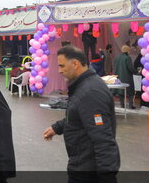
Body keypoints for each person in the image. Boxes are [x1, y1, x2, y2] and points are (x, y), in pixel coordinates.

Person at [43, 45, 120, 183]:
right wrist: (58, 127)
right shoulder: (82, 86)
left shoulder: (91, 93)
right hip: (81, 165)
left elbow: (103, 138)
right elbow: (78, 114)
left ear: (75, 64)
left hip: (89, 171)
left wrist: (107, 176)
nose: (59, 71)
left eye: (62, 66)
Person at [113, 45, 136, 109]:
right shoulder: (127, 58)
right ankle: (130, 105)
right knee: (131, 92)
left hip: (119, 77)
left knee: (121, 92)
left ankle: (122, 105)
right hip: (127, 78)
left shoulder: (117, 57)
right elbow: (130, 68)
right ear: (127, 51)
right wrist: (136, 72)